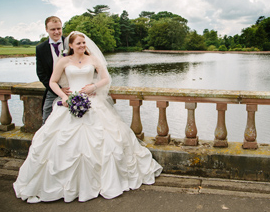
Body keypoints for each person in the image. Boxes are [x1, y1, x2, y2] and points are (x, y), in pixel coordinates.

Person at [14, 32, 163, 203]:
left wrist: (93, 86)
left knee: (106, 141)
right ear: (70, 45)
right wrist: (63, 96)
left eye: (84, 42)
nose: (82, 45)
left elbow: (106, 78)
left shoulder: (93, 59)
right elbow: (52, 82)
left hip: (93, 102)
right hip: (69, 103)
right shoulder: (63, 61)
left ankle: (102, 181)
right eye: (78, 43)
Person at [36, 16, 69, 125]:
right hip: (52, 91)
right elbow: (41, 74)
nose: (56, 32)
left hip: (71, 88)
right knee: (47, 121)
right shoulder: (40, 48)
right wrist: (58, 89)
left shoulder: (70, 43)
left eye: (59, 28)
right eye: (53, 29)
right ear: (46, 29)